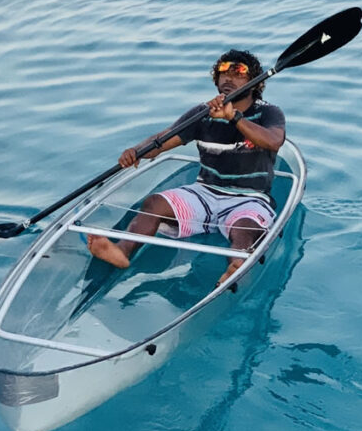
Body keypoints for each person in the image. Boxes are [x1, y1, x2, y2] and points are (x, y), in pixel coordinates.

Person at [87, 49, 286, 284]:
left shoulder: (268, 112)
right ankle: (122, 251)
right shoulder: (203, 113)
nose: (228, 78)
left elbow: (274, 141)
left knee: (244, 228)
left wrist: (235, 118)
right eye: (223, 71)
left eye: (238, 71)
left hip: (249, 197)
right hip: (204, 192)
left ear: (254, 82)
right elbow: (162, 140)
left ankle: (236, 268)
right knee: (153, 203)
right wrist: (136, 152)